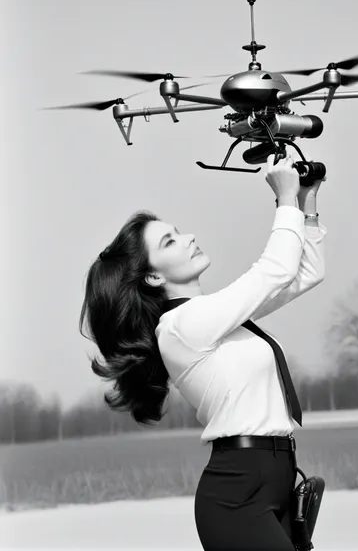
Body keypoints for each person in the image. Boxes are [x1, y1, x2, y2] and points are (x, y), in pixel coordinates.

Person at [79, 153, 327, 550]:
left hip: (274, 480)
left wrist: (306, 205)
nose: (189, 237)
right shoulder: (180, 328)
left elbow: (303, 275)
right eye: (170, 241)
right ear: (154, 275)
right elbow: (274, 270)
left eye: (178, 232)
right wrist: (284, 202)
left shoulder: (215, 318)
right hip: (236, 495)